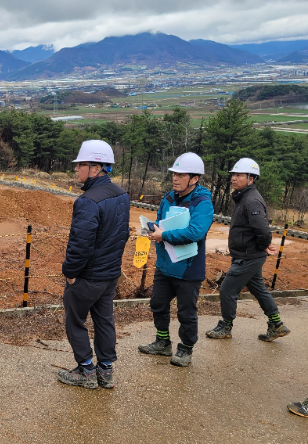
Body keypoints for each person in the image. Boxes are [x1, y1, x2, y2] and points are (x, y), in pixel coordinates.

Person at [57, 140, 130, 390]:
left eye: (80, 165)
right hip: (109, 275)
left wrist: (70, 273)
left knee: (74, 320)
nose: (76, 169)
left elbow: (80, 244)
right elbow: (122, 235)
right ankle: (106, 371)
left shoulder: (88, 200)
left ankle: (86, 370)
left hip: (88, 276)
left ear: (96, 167)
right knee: (104, 319)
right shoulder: (121, 194)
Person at [139, 152, 214, 367]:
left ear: (194, 178)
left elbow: (195, 232)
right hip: (165, 265)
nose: (175, 178)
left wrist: (164, 235)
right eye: (174, 174)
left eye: (181, 175)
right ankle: (163, 342)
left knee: (186, 313)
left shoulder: (203, 203)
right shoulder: (168, 197)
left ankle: (186, 348)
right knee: (158, 304)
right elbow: (161, 221)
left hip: (188, 270)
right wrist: (152, 227)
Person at [206, 158, 290, 341]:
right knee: (259, 289)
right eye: (233, 175)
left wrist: (261, 248)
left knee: (227, 290)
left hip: (248, 257)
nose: (234, 179)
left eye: (239, 175)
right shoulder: (244, 197)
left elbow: (263, 231)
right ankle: (276, 325)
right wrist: (261, 247)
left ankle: (226, 326)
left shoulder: (251, 200)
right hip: (249, 254)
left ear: (251, 179)